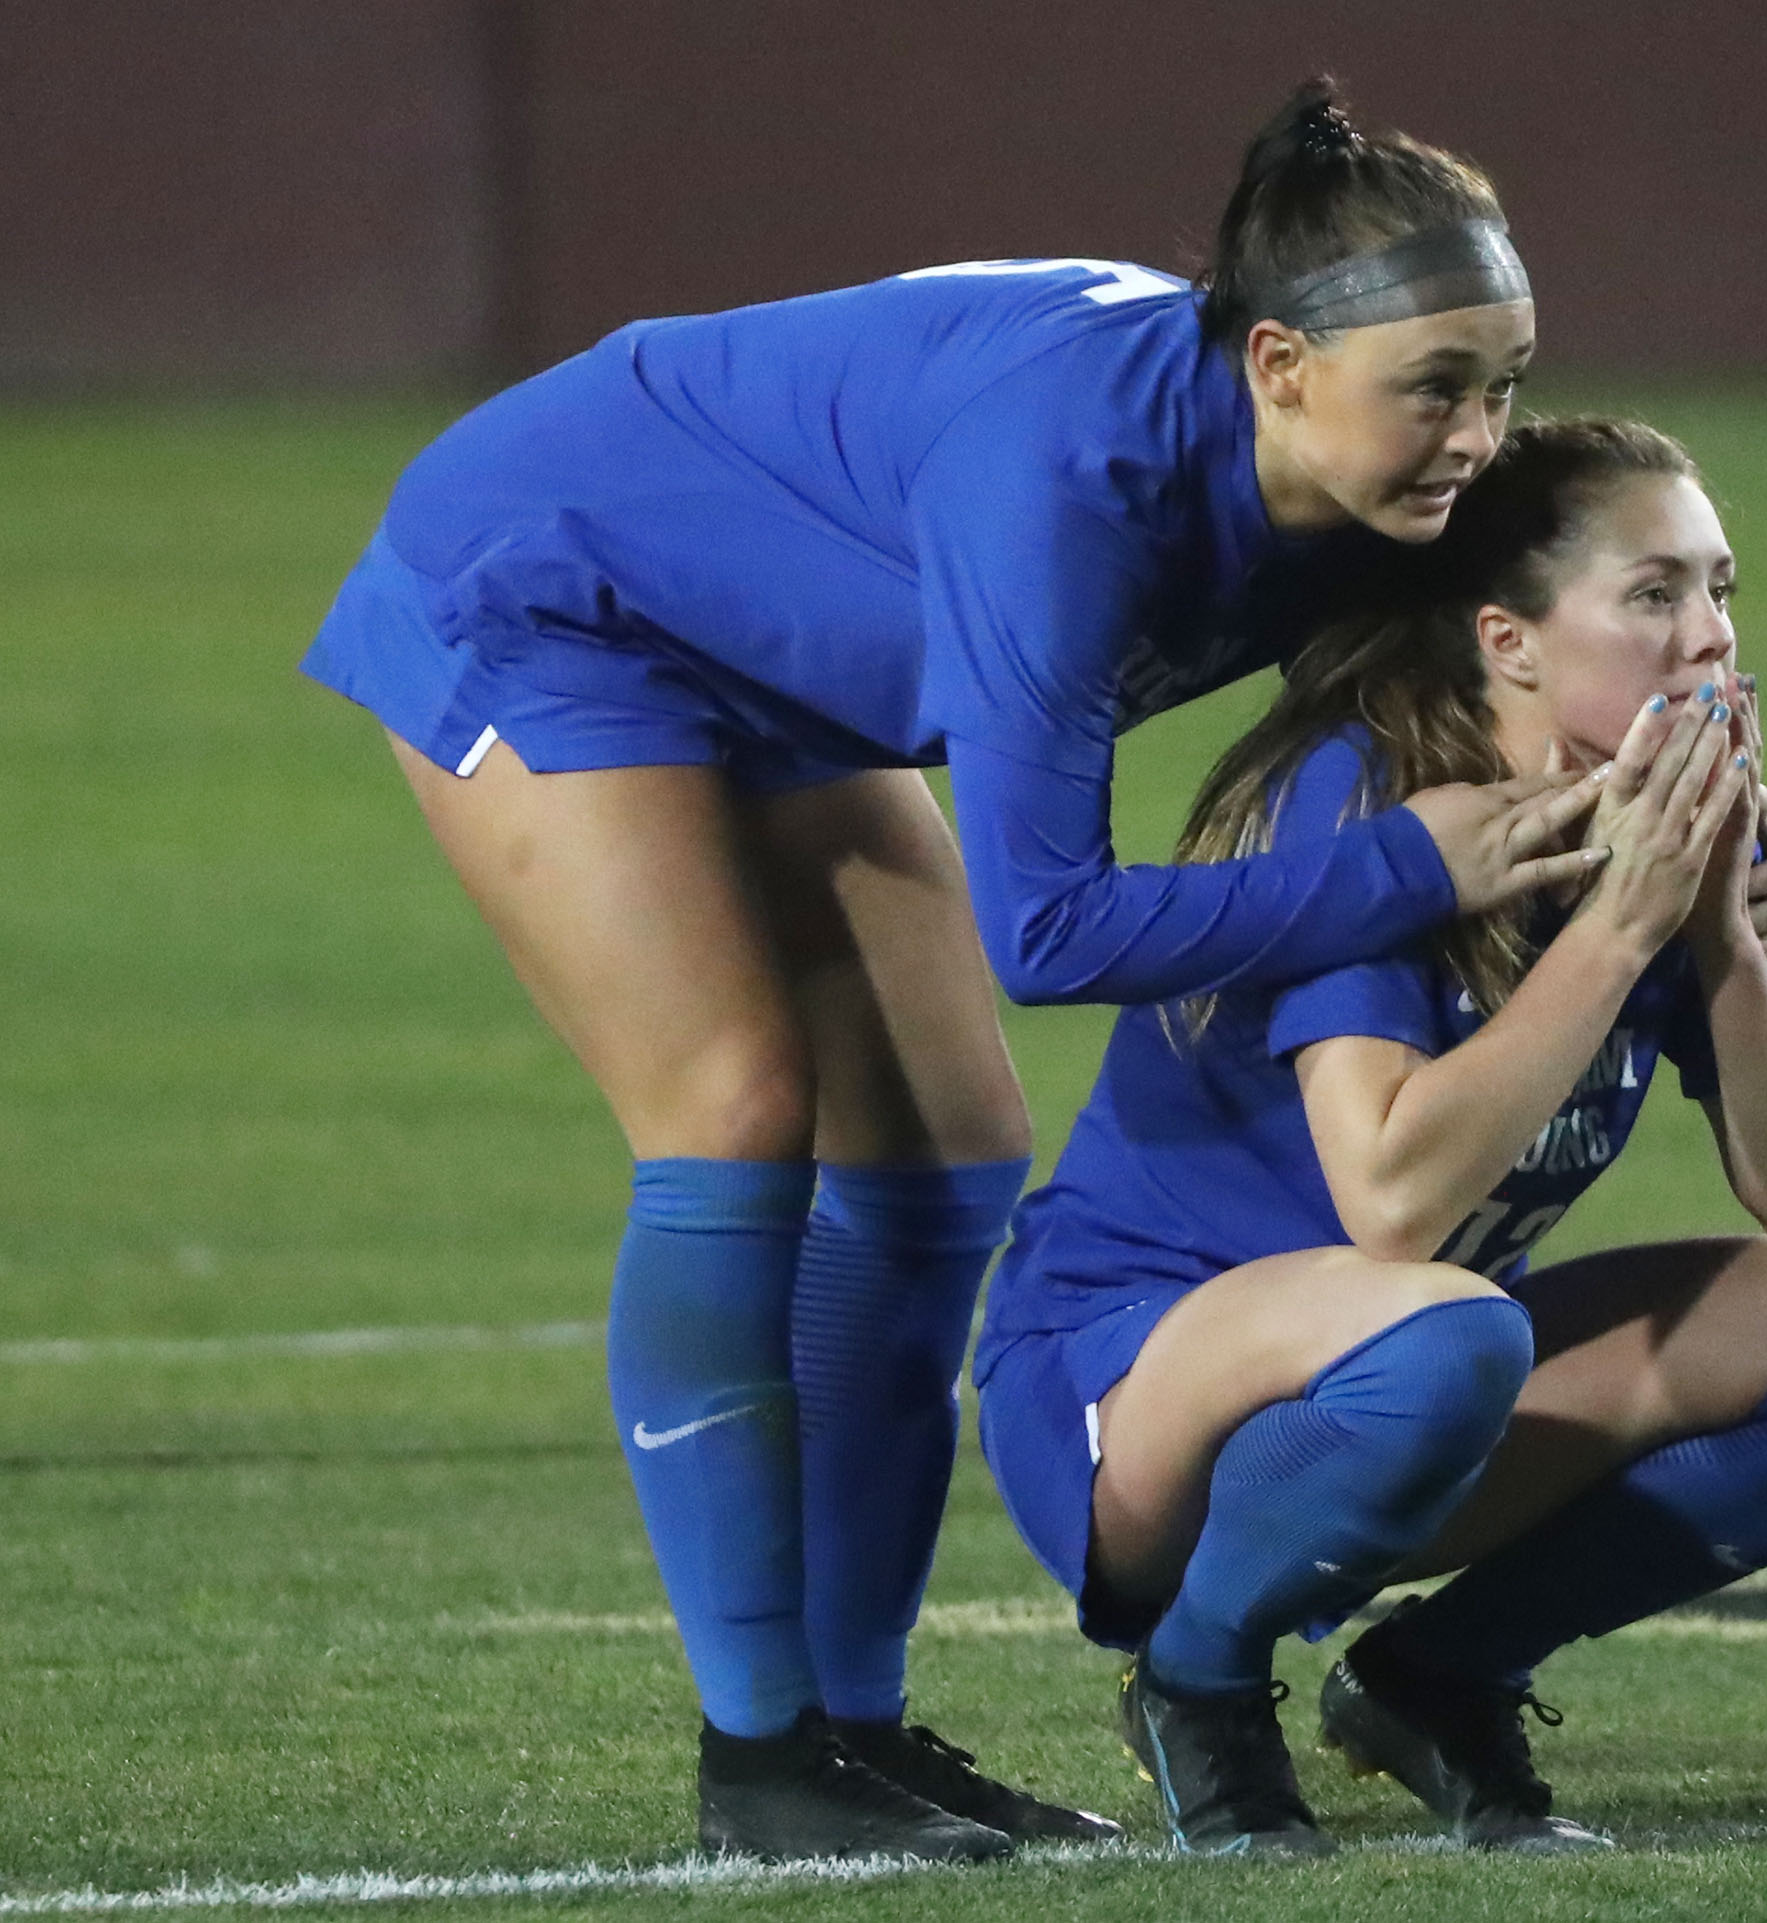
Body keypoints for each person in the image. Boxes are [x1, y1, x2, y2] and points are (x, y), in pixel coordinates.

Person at [294, 81, 1626, 1861]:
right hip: (550, 584)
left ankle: (855, 1729)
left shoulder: (1345, 477)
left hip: (774, 643)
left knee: (941, 1157)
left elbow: (1565, 596)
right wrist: (1405, 870)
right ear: (1282, 364)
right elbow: (1051, 927)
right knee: (738, 1106)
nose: (1479, 433)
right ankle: (757, 1756)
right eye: (1438, 388)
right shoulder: (1072, 488)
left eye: (1506, 381)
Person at [975, 418, 1767, 1858]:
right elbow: (1389, 1197)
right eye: (1654, 595)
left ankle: (1439, 1678)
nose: (1709, 641)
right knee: (1449, 1331)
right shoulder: (1371, 794)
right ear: (1509, 640)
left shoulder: (1661, 815)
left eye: (1721, 591)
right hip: (1130, 1391)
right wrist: (1619, 935)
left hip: (1402, 1389)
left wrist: (1724, 943)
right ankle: (1198, 1684)